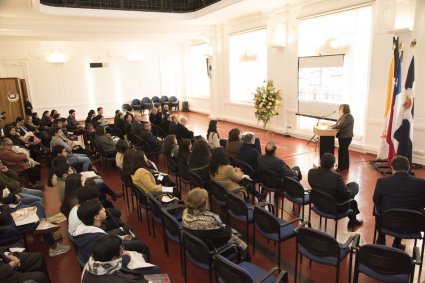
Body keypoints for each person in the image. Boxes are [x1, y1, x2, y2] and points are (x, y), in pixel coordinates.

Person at [73, 199, 150, 265]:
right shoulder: (99, 238)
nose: (104, 209)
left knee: (127, 233)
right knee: (141, 246)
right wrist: (126, 255)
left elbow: (107, 238)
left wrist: (122, 237)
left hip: (94, 260)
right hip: (109, 264)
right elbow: (113, 256)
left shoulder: (82, 230)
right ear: (96, 217)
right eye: (102, 208)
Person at [373, 155, 425, 249]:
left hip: (387, 222)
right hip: (412, 224)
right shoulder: (421, 183)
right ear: (408, 167)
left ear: (392, 168)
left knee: (378, 210)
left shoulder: (382, 182)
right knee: (405, 212)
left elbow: (376, 200)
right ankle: (397, 243)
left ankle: (381, 240)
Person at [182, 188, 249, 261]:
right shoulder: (210, 219)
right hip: (211, 250)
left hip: (196, 247)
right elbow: (225, 235)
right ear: (204, 203)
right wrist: (228, 228)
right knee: (237, 236)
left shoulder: (185, 213)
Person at [308, 153, 363, 228]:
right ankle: (352, 220)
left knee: (348, 191)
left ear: (320, 162)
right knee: (354, 186)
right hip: (334, 207)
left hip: (317, 202)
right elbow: (347, 195)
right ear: (333, 165)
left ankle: (353, 219)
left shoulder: (311, 172)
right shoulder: (336, 177)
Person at [81, 234, 159, 282]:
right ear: (114, 258)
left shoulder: (89, 265)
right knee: (156, 269)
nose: (123, 250)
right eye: (121, 251)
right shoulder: (120, 280)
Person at [330, 104, 354, 172]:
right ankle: (345, 165)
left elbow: (341, 125)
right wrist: (332, 125)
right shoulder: (344, 115)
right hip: (344, 136)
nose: (340, 109)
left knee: (342, 151)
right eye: (340, 108)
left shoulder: (348, 116)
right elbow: (338, 124)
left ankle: (341, 167)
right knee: (344, 151)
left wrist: (332, 127)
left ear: (346, 108)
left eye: (342, 108)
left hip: (346, 137)